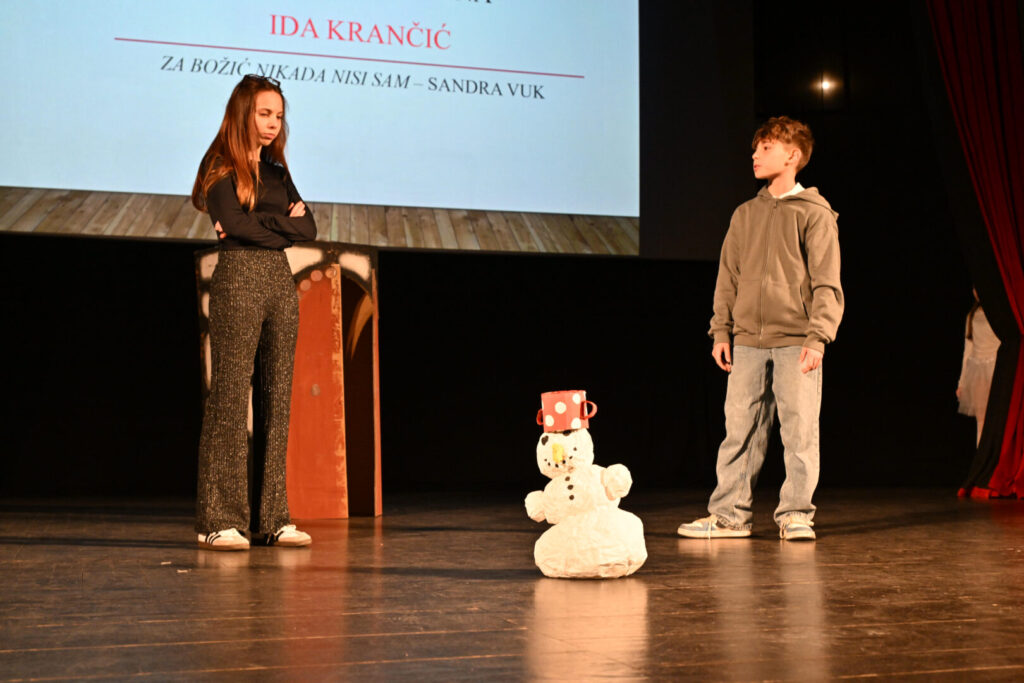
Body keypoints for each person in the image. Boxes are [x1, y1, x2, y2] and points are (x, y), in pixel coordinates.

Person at [678, 116, 844, 542]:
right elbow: (728, 277)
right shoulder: (745, 214)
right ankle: (730, 516)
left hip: (797, 338)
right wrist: (721, 331)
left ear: (793, 156)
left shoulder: (815, 213)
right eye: (756, 148)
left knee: (799, 430)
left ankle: (796, 514)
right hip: (748, 339)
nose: (755, 155)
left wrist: (818, 337)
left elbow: (827, 282)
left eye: (766, 147)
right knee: (739, 429)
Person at [190, 74, 317, 551]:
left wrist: (257, 222)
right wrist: (279, 224)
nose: (273, 122)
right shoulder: (220, 165)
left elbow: (309, 228)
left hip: (279, 282)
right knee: (229, 398)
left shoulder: (277, 171)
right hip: (239, 279)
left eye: (278, 115)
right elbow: (234, 225)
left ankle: (272, 518)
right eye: (264, 113)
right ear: (244, 113)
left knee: (276, 398)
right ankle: (218, 519)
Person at [957, 291, 1000, 446]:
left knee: (997, 418)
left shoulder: (999, 313)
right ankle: (982, 457)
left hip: (995, 367)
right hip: (977, 370)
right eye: (974, 288)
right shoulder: (972, 315)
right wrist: (961, 382)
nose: (976, 291)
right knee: (981, 420)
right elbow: (968, 349)